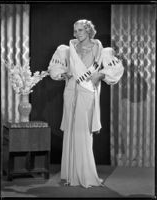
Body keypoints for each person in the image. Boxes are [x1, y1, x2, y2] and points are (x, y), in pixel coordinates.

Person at [48, 19, 124, 188]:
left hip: (87, 92)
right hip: (70, 92)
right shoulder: (68, 49)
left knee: (82, 132)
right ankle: (69, 176)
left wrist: (100, 75)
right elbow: (55, 70)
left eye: (80, 30)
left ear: (89, 31)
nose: (76, 34)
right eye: (75, 31)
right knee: (70, 131)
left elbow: (116, 69)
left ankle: (85, 175)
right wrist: (63, 75)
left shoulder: (101, 51)